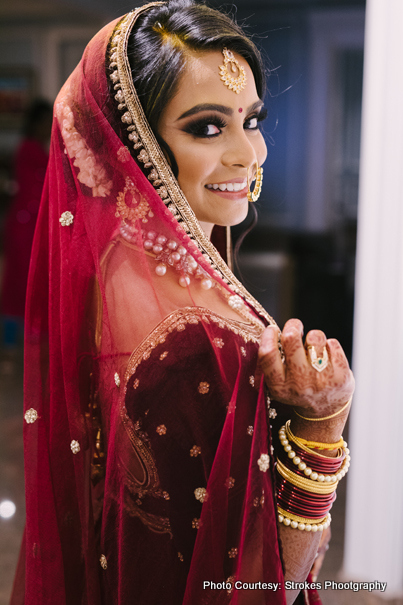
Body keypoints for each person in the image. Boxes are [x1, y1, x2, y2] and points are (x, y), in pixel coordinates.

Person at [12, 2, 354, 604]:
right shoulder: (200, 341)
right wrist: (320, 432)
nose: (250, 155)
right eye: (206, 127)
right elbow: (251, 587)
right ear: (131, 144)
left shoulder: (112, 266)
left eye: (251, 119)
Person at [0, 99, 52, 360]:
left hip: (26, 223)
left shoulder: (32, 149)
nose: (48, 126)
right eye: (45, 121)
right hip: (24, 225)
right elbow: (39, 188)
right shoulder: (30, 150)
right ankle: (15, 343)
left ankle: (20, 343)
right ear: (36, 123)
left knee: (24, 283)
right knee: (22, 283)